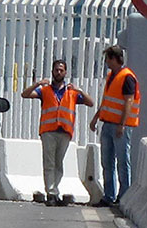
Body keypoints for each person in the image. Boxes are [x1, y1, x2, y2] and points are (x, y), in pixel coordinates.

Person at [21, 59, 94, 206]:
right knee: (49, 162)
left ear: (65, 72)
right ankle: (51, 193)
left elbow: (90, 102)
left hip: (64, 131)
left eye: (61, 70)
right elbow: (25, 94)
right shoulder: (45, 90)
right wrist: (37, 84)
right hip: (48, 131)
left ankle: (55, 189)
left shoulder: (72, 92)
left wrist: (80, 90)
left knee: (58, 163)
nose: (58, 72)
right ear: (52, 71)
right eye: (56, 70)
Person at [88, 45, 140, 208]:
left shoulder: (127, 77)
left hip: (119, 126)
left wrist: (122, 124)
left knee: (122, 161)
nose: (107, 63)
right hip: (108, 123)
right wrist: (96, 117)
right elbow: (107, 101)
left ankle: (124, 196)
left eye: (108, 59)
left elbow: (129, 101)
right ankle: (109, 195)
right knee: (107, 162)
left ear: (114, 59)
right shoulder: (112, 76)